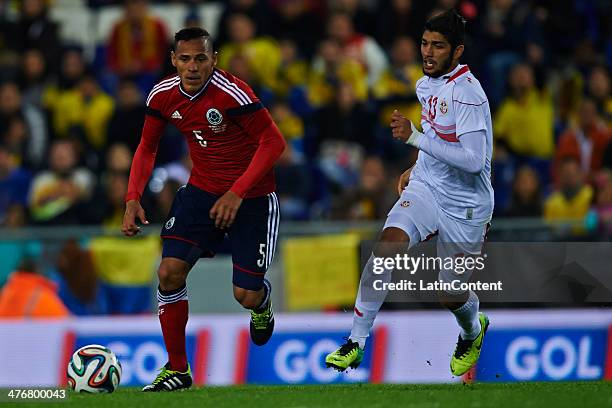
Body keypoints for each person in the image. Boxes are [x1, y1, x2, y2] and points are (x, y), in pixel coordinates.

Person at [325, 10, 494, 378]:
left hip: (466, 206)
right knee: (387, 246)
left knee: (450, 294)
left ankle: (472, 330)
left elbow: (473, 161)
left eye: (438, 46)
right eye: (425, 43)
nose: (428, 52)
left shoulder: (468, 95)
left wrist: (416, 138)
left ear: (457, 51)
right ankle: (356, 340)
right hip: (428, 188)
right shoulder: (425, 84)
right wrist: (417, 166)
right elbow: (437, 137)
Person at [122, 27, 286, 391]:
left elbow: (274, 142)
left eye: (200, 58)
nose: (192, 67)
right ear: (173, 61)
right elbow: (147, 148)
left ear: (215, 59)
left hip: (253, 197)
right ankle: (178, 369)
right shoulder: (162, 95)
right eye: (185, 59)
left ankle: (262, 304)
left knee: (245, 295)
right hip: (201, 192)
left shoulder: (233, 93)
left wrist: (237, 192)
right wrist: (132, 198)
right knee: (168, 272)